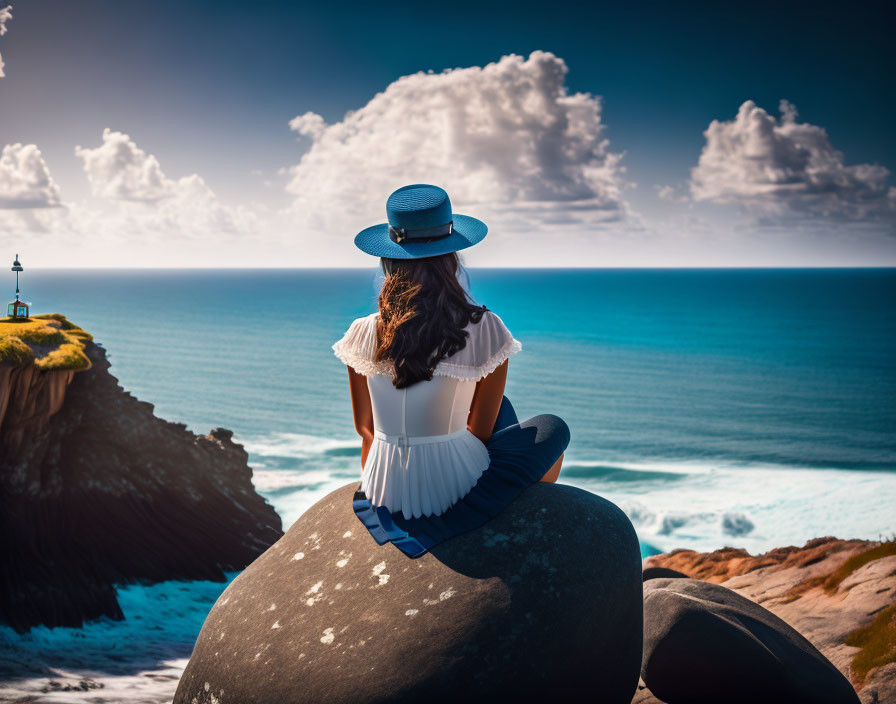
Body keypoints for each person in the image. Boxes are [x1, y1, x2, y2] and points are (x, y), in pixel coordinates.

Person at [333, 184, 569, 557]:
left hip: (383, 487)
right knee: (553, 428)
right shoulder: (485, 328)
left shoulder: (362, 331)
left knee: (496, 404)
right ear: (451, 258)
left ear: (388, 261)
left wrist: (378, 484)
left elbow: (365, 428)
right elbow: (481, 430)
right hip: (450, 493)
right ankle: (514, 508)